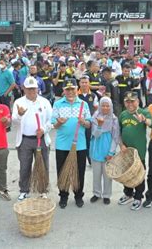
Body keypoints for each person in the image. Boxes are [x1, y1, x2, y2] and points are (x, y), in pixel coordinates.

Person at [52, 78, 91, 209]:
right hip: (62, 145)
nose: (70, 92)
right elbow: (54, 125)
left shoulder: (83, 105)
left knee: (79, 172)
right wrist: (59, 123)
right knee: (62, 171)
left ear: (76, 89)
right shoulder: (57, 104)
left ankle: (78, 195)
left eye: (72, 89)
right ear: (63, 90)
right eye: (67, 89)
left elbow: (89, 123)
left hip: (80, 145)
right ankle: (63, 196)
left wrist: (84, 122)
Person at [12, 77, 53, 201]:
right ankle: (24, 190)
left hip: (41, 139)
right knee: (25, 166)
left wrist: (44, 130)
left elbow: (51, 120)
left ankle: (42, 190)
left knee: (43, 165)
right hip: (25, 140)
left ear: (37, 88)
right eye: (28, 89)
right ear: (24, 89)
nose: (31, 91)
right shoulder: (19, 102)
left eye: (33, 89)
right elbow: (14, 121)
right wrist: (19, 115)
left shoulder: (44, 102)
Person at [118, 92, 152, 210]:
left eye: (132, 101)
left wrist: (144, 120)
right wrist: (121, 145)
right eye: (127, 101)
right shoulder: (123, 114)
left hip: (138, 151)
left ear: (138, 102)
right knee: (127, 173)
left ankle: (138, 197)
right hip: (126, 151)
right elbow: (118, 131)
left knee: (139, 175)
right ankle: (128, 193)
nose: (130, 104)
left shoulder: (143, 112)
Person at [89, 97, 120, 205]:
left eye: (107, 105)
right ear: (100, 106)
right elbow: (95, 135)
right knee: (96, 174)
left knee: (107, 175)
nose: (105, 107)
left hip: (107, 150)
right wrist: (100, 126)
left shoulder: (114, 119)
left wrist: (111, 152)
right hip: (96, 149)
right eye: (103, 105)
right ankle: (97, 193)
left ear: (110, 106)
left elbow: (115, 137)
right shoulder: (95, 117)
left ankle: (107, 195)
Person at [78, 76, 99, 165]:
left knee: (89, 141)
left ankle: (91, 160)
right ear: (79, 84)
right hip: (78, 123)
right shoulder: (75, 95)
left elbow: (97, 109)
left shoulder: (93, 96)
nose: (84, 84)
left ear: (89, 83)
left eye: (86, 82)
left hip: (89, 123)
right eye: (82, 82)